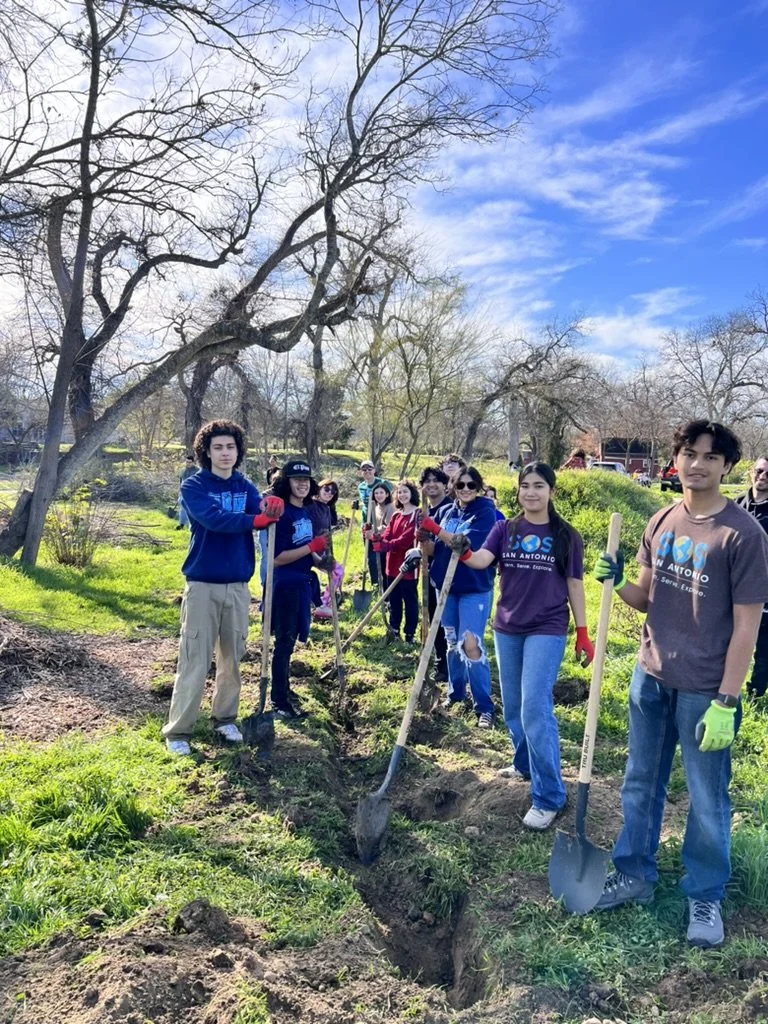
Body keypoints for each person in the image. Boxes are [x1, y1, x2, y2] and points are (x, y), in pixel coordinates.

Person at [593, 420, 768, 948]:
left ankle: (705, 893)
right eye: (689, 454)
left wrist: (727, 699)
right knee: (640, 781)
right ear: (676, 459)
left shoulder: (745, 535)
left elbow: (747, 627)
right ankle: (635, 874)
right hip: (650, 675)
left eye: (710, 457)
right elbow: (645, 597)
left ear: (727, 467)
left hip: (705, 689)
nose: (697, 464)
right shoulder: (661, 519)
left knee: (706, 795)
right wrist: (617, 580)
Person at [462, 463, 593, 830]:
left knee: (536, 707)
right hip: (507, 627)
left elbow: (575, 585)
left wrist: (583, 632)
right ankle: (524, 763)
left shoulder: (566, 535)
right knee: (516, 709)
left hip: (547, 628)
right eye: (524, 486)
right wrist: (456, 545)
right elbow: (480, 560)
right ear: (517, 492)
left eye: (538, 486)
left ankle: (549, 795)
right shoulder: (505, 529)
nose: (531, 492)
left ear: (551, 490)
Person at [162, 420, 284, 755]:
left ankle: (224, 718)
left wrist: (269, 508)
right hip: (202, 584)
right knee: (195, 659)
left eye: (230, 447)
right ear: (206, 451)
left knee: (232, 657)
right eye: (218, 447)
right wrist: (254, 521)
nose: (225, 453)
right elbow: (214, 519)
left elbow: (259, 507)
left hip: (238, 586)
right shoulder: (195, 486)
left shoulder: (244, 486)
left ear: (238, 451)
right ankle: (178, 732)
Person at [420, 466, 498, 728]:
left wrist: (434, 527)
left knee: (470, 644)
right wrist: (423, 537)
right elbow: (434, 549)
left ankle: (484, 706)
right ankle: (456, 694)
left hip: (474, 588)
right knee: (453, 642)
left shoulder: (486, 513)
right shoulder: (446, 511)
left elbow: (462, 545)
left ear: (479, 487)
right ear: (453, 486)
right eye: (461, 485)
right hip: (445, 587)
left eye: (471, 485)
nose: (466, 489)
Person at [270, 460, 329, 719]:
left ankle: (285, 687)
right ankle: (278, 699)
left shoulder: (304, 511)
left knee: (291, 640)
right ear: (287, 483)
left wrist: (323, 562)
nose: (302, 484)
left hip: (303, 582)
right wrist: (310, 547)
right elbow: (277, 557)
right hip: (285, 585)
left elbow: (310, 550)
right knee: (283, 642)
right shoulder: (283, 515)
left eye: (306, 480)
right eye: (296, 480)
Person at [372, 480, 420, 643]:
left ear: (412, 493)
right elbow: (387, 534)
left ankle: (410, 633)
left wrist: (385, 545)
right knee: (394, 600)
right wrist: (378, 539)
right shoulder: (397, 515)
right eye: (399, 492)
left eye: (405, 491)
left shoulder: (417, 515)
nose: (402, 495)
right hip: (391, 565)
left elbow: (405, 541)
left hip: (407, 567)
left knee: (410, 600)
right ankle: (394, 629)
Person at [736, 456, 768, 700]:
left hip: (765, 593)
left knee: (764, 651)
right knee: (728, 642)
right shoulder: (735, 507)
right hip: (733, 592)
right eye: (759, 470)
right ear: (751, 472)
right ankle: (724, 689)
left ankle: (755, 695)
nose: (762, 476)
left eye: (767, 473)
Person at [419, 466, 452, 681]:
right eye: (427, 481)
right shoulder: (423, 511)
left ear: (445, 484)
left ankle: (450, 665)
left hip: (447, 573)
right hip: (428, 570)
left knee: (445, 620)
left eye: (436, 480)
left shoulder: (450, 509)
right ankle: (440, 662)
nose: (431, 485)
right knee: (432, 617)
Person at [309, 479, 340, 619]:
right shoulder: (311, 506)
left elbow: (327, 533)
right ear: (319, 489)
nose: (329, 493)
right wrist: (313, 552)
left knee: (337, 573)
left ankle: (324, 603)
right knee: (337, 572)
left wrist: (329, 553)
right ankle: (322, 605)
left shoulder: (327, 508)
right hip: (310, 550)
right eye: (326, 489)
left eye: (333, 492)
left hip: (323, 550)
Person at [357, 459, 387, 586]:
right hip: (366, 523)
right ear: (361, 472)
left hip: (380, 521)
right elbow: (364, 505)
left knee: (382, 552)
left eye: (370, 469)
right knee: (370, 554)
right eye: (364, 469)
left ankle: (384, 580)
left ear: (374, 470)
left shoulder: (382, 483)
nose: (367, 472)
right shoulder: (361, 486)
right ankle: (375, 582)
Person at [176, 453, 197, 529]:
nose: (188, 464)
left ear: (194, 462)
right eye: (186, 462)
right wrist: (179, 492)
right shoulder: (183, 471)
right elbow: (181, 481)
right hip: (183, 492)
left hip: (193, 493)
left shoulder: (197, 471)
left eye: (189, 462)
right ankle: (181, 524)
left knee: (192, 510)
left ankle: (192, 526)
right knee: (182, 509)